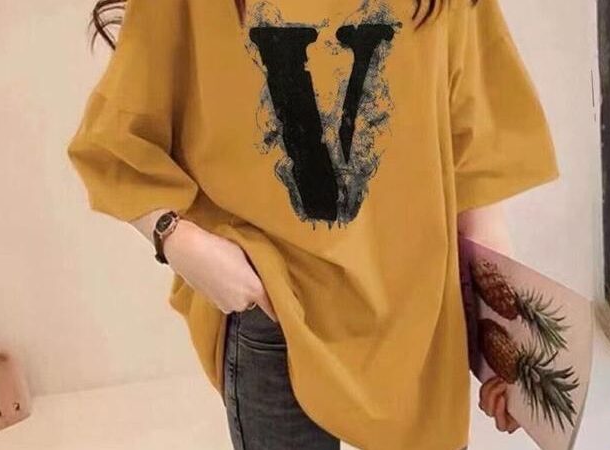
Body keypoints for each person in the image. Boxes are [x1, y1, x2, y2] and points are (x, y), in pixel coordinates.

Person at [67, 0, 559, 448]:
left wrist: (505, 342)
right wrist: (178, 240)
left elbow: (474, 165)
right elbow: (117, 139)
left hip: (417, 319)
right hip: (275, 308)